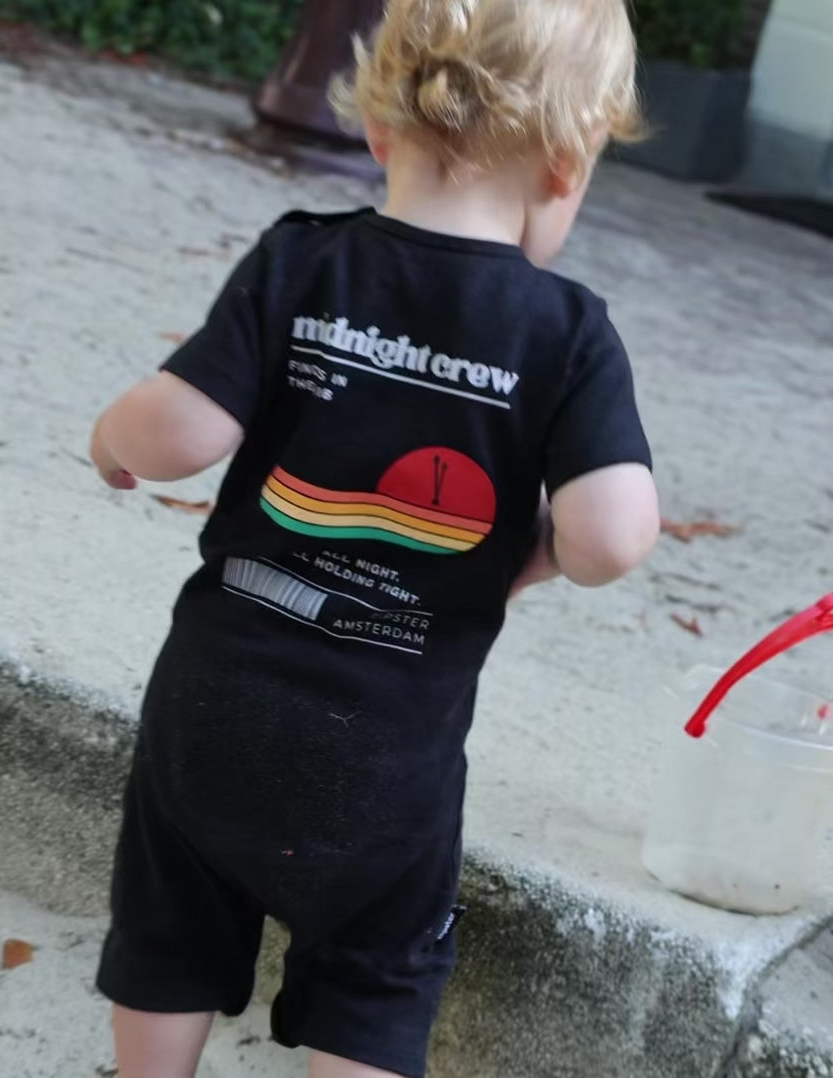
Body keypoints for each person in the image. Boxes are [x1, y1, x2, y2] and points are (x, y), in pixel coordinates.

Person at [89, 0, 660, 1074]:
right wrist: (525, 558)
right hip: (388, 749)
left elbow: (178, 435)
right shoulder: (567, 333)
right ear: (568, 162)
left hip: (213, 704)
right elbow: (614, 537)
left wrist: (112, 438)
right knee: (375, 974)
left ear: (379, 125)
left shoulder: (302, 262)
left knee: (172, 928)